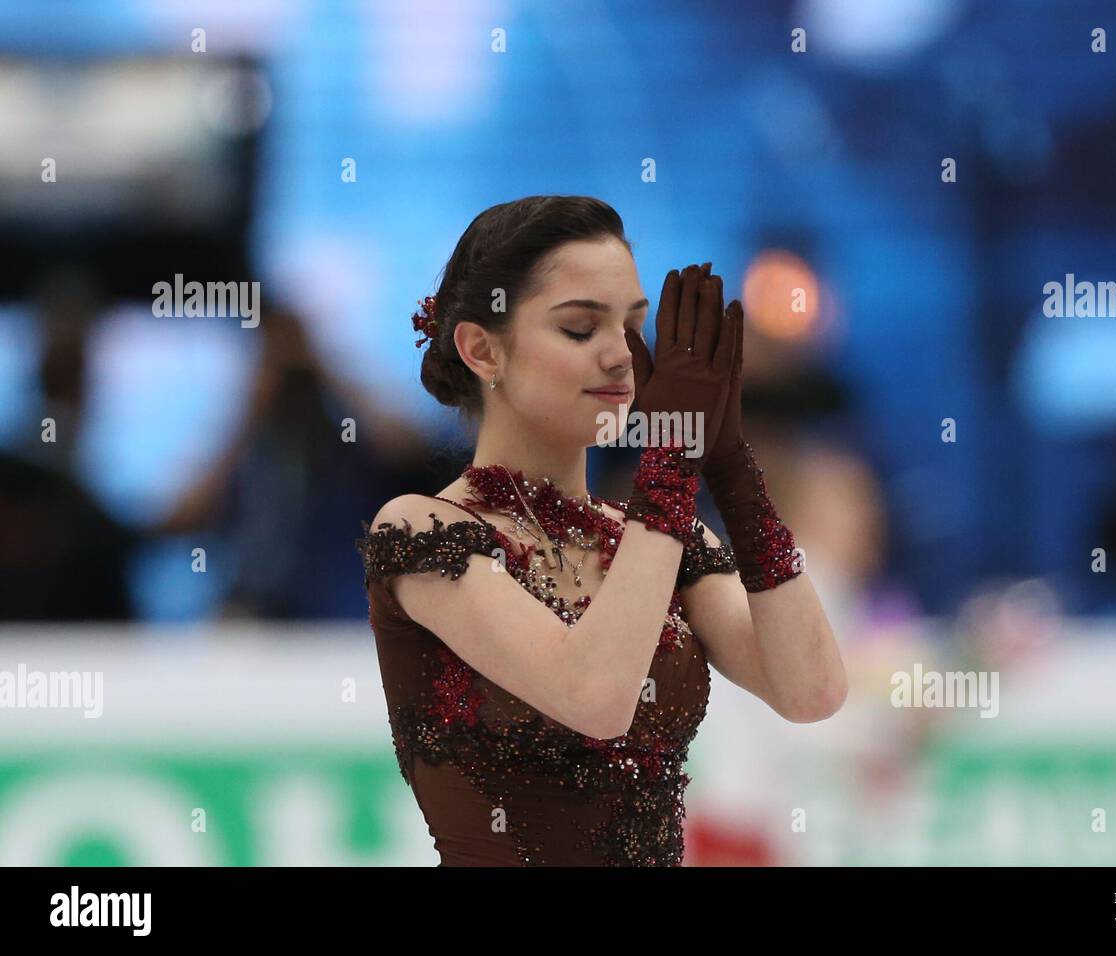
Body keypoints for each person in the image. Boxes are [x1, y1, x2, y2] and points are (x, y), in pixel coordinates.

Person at [355, 195, 846, 866]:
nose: (622, 358)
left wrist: (731, 467)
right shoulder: (420, 532)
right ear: (481, 348)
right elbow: (594, 697)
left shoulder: (663, 544)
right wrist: (672, 464)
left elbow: (812, 692)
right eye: (582, 330)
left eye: (633, 328)